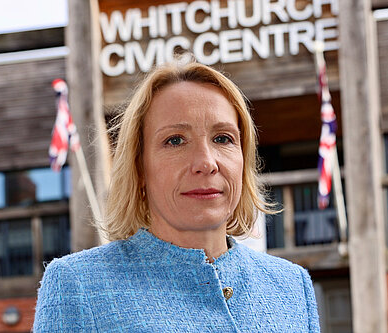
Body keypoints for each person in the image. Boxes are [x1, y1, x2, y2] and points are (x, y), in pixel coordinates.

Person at [33, 60, 320, 332]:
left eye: (223, 138)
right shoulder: (76, 284)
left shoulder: (292, 285)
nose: (206, 162)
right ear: (139, 167)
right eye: (175, 140)